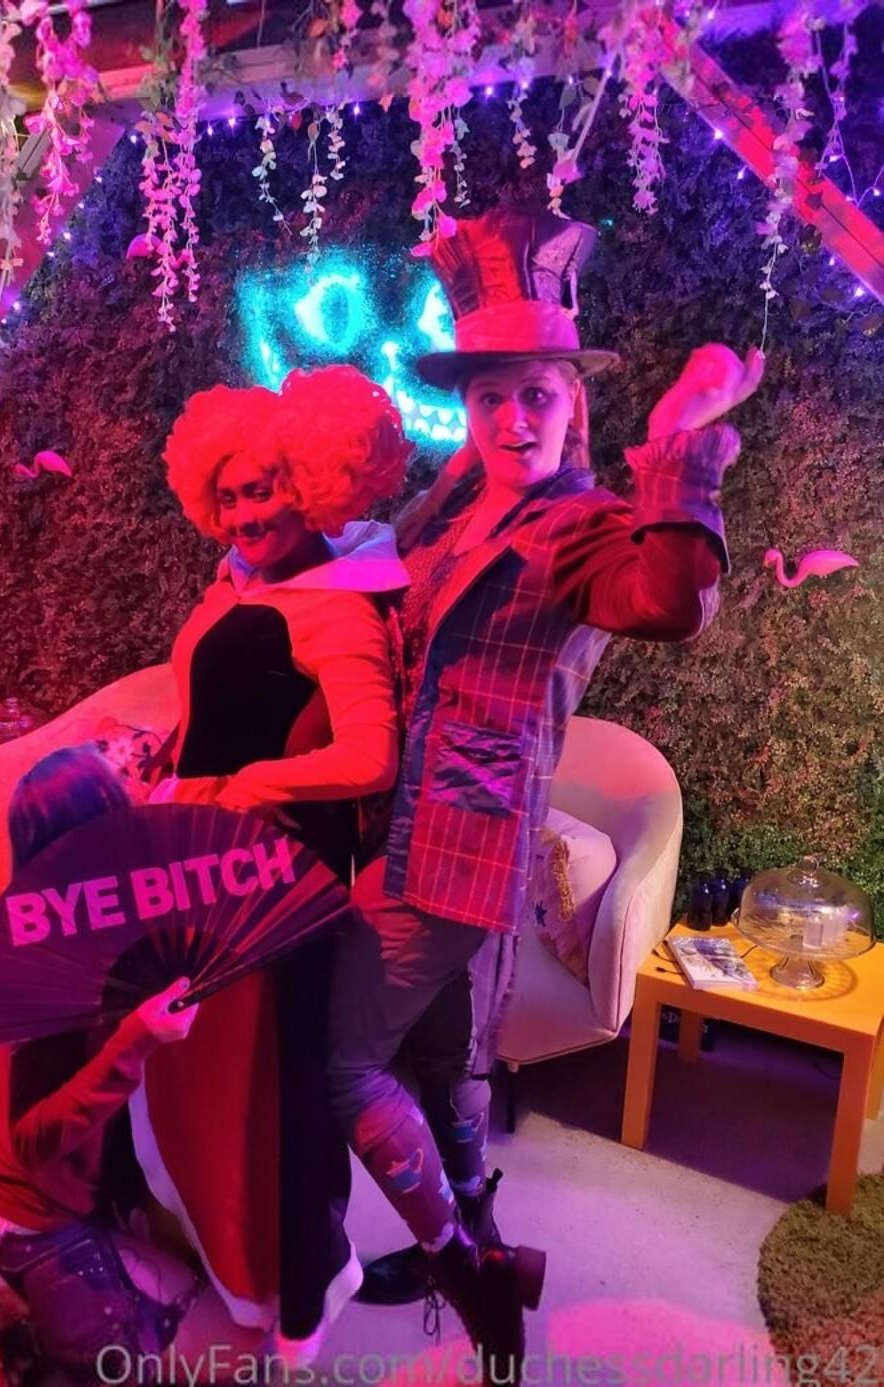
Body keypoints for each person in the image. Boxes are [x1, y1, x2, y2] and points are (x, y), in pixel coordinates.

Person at [327, 207, 765, 1383]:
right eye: (490, 398)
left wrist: (678, 444)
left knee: (339, 1060)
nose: (513, 419)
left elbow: (666, 599)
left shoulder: (578, 525)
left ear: (574, 403)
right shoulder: (464, 504)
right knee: (445, 1062)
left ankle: (458, 1258)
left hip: (455, 843)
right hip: (414, 828)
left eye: (536, 395)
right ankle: (479, 1241)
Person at [130, 365, 412, 1363]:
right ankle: (215, 1255)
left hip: (281, 877)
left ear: (313, 486)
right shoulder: (240, 582)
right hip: (204, 857)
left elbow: (371, 756)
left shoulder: (339, 604)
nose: (247, 513)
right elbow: (218, 700)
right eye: (231, 495)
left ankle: (300, 1295)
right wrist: (176, 749)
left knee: (278, 1092)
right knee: (189, 1070)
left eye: (266, 490)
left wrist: (254, 782)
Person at [0, 746, 262, 1386]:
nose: (137, 802)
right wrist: (135, 1041)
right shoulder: (50, 972)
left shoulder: (66, 909)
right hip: (22, 1210)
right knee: (243, 1355)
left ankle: (1, 1291)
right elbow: (33, 1139)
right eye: (123, 795)